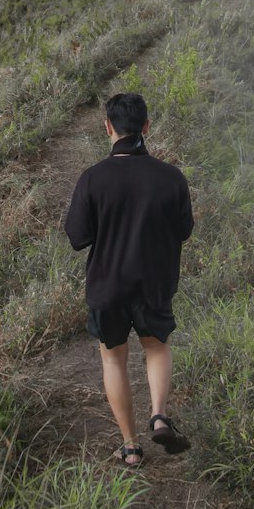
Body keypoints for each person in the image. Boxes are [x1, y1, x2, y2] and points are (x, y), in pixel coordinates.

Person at [65, 92, 194, 469]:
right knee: (156, 347)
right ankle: (158, 414)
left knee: (114, 360)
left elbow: (77, 238)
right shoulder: (171, 178)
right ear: (147, 128)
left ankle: (131, 446)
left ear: (107, 128)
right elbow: (184, 231)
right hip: (154, 283)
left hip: (108, 287)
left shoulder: (92, 179)